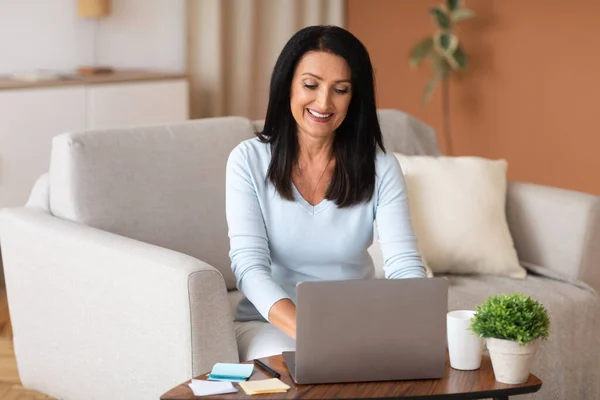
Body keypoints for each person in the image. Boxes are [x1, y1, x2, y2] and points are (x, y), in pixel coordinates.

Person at [225, 25, 426, 361]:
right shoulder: (248, 160)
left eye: (341, 89)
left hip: (358, 324)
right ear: (287, 84)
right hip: (273, 325)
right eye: (310, 85)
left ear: (354, 97)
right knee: (309, 366)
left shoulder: (381, 166)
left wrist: (417, 323)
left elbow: (403, 264)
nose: (323, 102)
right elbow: (249, 268)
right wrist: (315, 333)